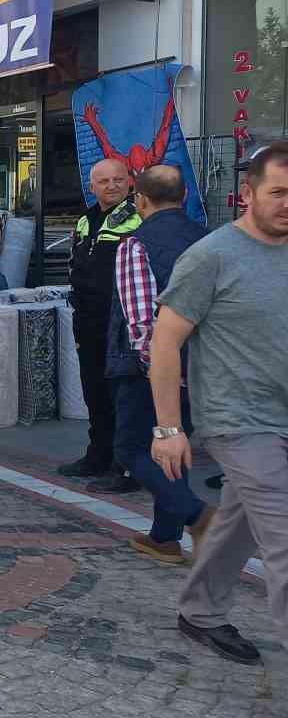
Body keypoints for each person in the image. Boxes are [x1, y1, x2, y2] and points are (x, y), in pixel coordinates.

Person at [154, 144, 288, 666]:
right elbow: (164, 342)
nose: (286, 204)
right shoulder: (211, 256)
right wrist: (168, 429)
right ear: (249, 193)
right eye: (277, 192)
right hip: (240, 422)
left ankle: (201, 610)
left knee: (242, 519)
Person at [104, 166, 212, 563]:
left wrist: (154, 367)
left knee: (131, 449)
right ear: (183, 197)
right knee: (174, 444)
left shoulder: (136, 245)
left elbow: (140, 321)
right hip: (198, 363)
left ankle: (198, 515)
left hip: (147, 369)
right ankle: (164, 536)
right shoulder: (210, 240)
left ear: (140, 201)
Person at [58, 158, 141, 485]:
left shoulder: (138, 217)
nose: (111, 186)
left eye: (118, 179)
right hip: (89, 322)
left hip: (123, 324)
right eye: (103, 181)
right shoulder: (85, 221)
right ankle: (98, 455)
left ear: (130, 181)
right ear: (92, 187)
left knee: (124, 395)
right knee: (95, 391)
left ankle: (127, 464)